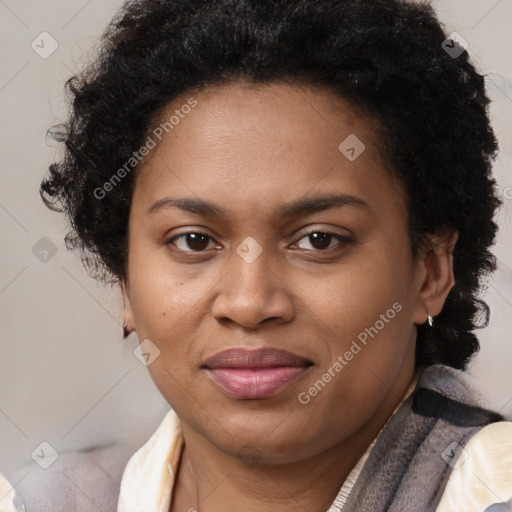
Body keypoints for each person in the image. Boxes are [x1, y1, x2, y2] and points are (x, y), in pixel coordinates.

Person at [2, 0, 511, 510]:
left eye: (319, 239)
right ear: (126, 281)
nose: (249, 303)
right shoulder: (44, 500)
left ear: (431, 271)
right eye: (193, 240)